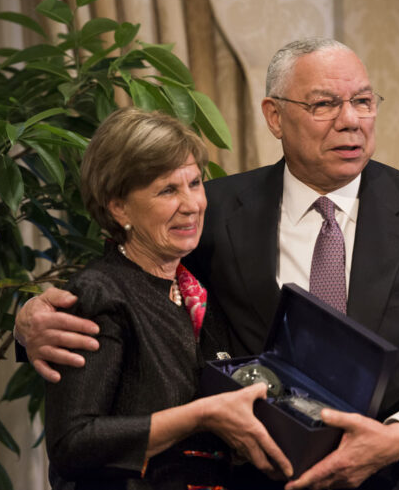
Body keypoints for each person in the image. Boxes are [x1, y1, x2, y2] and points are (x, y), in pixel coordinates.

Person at [18, 38, 399, 490]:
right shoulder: (210, 212)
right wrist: (29, 321)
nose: (351, 121)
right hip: (259, 478)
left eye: (363, 102)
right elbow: (125, 285)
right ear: (275, 116)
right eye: (325, 104)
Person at [41, 107, 292, 490]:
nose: (191, 204)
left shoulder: (197, 290)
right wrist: (200, 416)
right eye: (167, 190)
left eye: (194, 183)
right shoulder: (98, 293)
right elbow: (72, 443)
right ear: (118, 206)